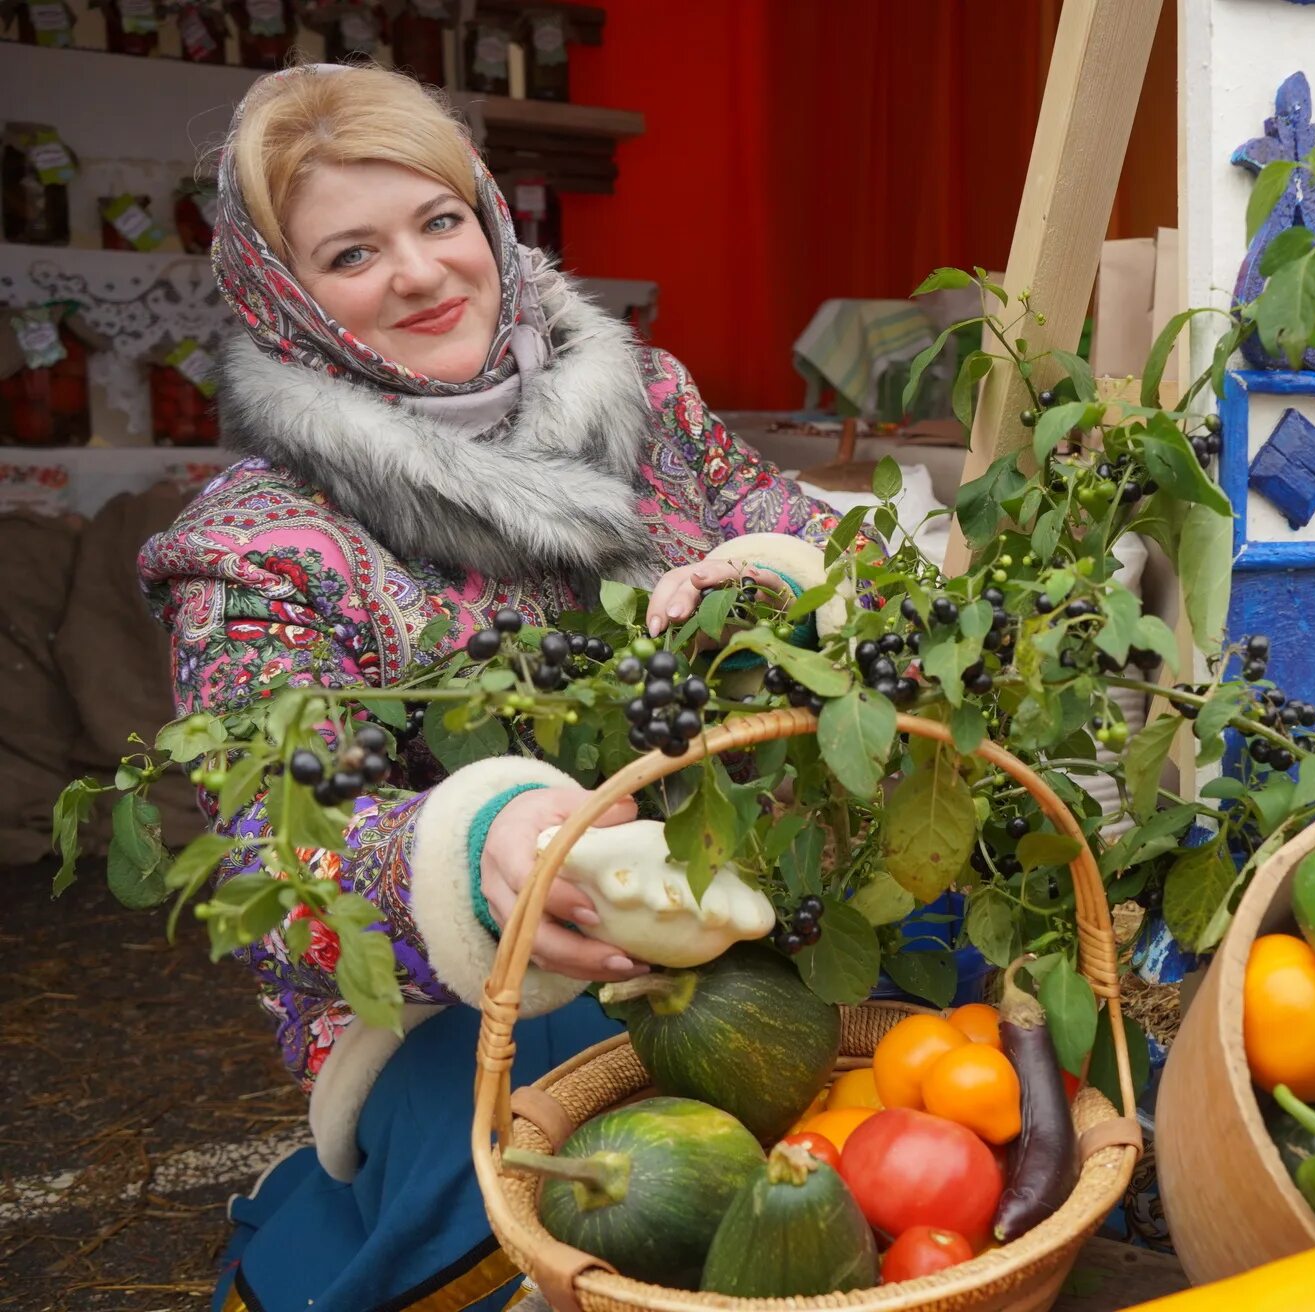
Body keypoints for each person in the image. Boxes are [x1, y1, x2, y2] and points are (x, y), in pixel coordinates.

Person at [138, 63, 844, 1311]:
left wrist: (770, 582)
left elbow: (805, 539)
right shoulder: (260, 545)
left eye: (440, 220)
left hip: (745, 910)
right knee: (594, 1132)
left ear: (491, 221)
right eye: (353, 253)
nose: (419, 273)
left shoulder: (645, 398)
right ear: (284, 298)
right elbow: (269, 846)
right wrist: (465, 849)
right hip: (475, 1015)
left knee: (914, 1008)